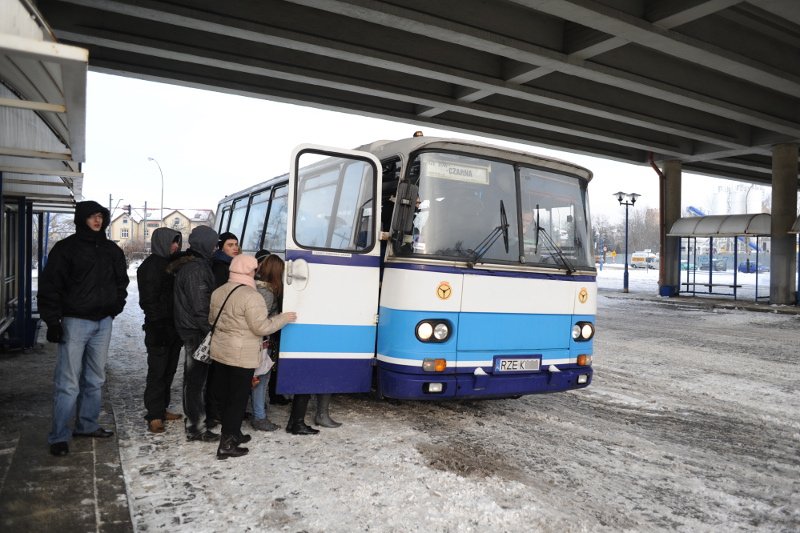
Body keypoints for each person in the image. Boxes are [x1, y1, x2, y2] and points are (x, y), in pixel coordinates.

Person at [39, 200, 129, 457]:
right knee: (68, 382)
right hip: (74, 322)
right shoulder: (66, 249)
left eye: (100, 216)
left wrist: (115, 307)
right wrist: (53, 321)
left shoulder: (112, 250)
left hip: (103, 322)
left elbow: (121, 282)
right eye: (92, 216)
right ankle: (59, 436)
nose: (97, 220)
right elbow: (50, 287)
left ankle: (86, 425)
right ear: (82, 219)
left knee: (95, 378)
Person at [209, 254, 296, 459]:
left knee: (227, 395)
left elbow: (212, 319)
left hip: (220, 351)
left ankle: (235, 434)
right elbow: (262, 327)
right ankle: (227, 444)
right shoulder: (252, 296)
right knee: (236, 400)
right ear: (250, 271)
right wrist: (283, 318)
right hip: (241, 354)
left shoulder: (219, 291)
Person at [171, 225, 219, 442]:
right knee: (196, 382)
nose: (215, 247)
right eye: (213, 243)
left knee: (194, 380)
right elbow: (201, 307)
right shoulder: (197, 269)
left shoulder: (194, 265)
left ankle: (196, 424)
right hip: (196, 332)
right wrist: (211, 332)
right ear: (205, 244)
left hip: (193, 329)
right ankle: (196, 427)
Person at [137, 227, 184, 434]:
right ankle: (154, 415)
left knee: (169, 371)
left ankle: (162, 408)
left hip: (174, 328)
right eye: (173, 242)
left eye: (178, 242)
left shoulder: (172, 264)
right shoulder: (150, 267)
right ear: (162, 242)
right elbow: (148, 301)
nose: (176, 246)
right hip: (158, 329)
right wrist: (160, 322)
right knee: (157, 373)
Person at [251, 252, 280, 431]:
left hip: (256, 341)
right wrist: (280, 318)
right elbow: (261, 322)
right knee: (261, 378)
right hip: (261, 341)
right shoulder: (267, 293)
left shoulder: (256, 287)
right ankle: (259, 416)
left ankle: (258, 411)